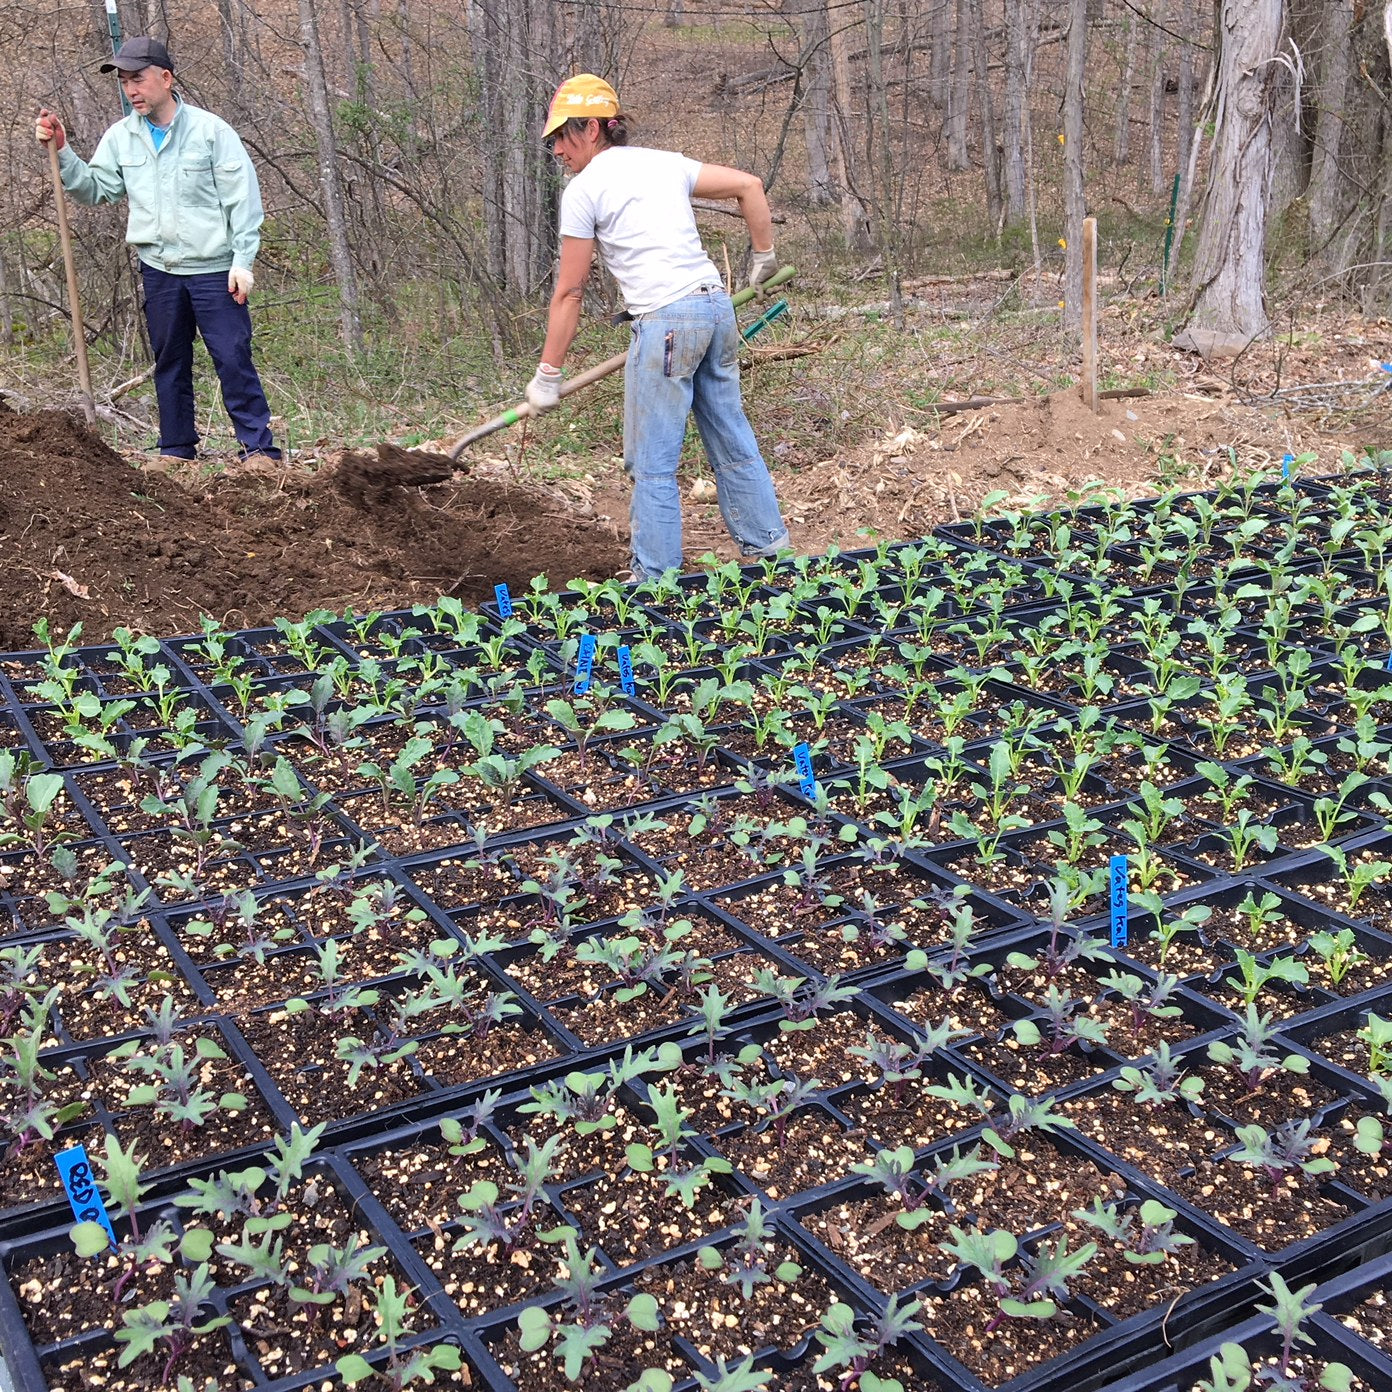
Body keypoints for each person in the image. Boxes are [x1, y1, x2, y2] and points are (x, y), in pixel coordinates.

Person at [526, 74, 788, 581]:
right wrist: (764, 255)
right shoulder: (664, 163)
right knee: (731, 438)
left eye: (564, 135)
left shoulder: (585, 190)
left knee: (652, 463)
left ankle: (655, 580)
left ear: (596, 129)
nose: (556, 149)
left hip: (666, 323)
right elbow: (749, 186)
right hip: (715, 311)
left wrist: (548, 371)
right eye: (551, 139)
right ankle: (771, 551)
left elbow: (570, 292)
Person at [36, 37, 281, 464]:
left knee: (232, 357)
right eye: (125, 82)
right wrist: (63, 151)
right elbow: (97, 190)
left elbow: (243, 200)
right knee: (170, 361)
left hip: (215, 268)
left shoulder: (211, 132)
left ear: (165, 79)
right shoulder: (121, 137)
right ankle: (176, 450)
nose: (131, 90)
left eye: (139, 80)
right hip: (160, 269)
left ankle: (258, 449)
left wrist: (243, 261)